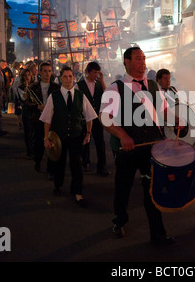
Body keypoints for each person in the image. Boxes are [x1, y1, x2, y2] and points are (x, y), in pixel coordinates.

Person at [99, 47, 183, 245]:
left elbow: (163, 111)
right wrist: (123, 135)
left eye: (144, 58)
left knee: (152, 190)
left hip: (153, 147)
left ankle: (158, 234)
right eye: (138, 59)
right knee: (123, 188)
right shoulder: (115, 88)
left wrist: (176, 119)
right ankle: (119, 221)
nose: (143, 62)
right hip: (128, 149)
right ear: (126, 61)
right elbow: (105, 117)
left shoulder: (153, 86)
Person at [40, 66, 97, 207]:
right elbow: (47, 119)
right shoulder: (54, 96)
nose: (68, 79)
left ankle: (77, 191)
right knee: (59, 162)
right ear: (60, 79)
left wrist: (88, 133)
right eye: (65, 77)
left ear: (74, 78)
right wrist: (46, 138)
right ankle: (58, 186)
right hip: (58, 136)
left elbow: (90, 116)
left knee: (76, 164)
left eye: (70, 76)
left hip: (76, 136)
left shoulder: (80, 95)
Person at [77, 61, 110, 176]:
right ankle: (85, 162)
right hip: (84, 118)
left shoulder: (98, 84)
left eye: (97, 72)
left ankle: (102, 167)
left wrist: (102, 81)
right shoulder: (79, 85)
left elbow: (107, 95)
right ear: (88, 72)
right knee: (85, 140)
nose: (96, 75)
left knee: (100, 142)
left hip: (97, 117)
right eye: (94, 72)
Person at [25, 62, 60, 172]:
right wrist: (37, 106)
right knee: (38, 143)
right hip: (38, 118)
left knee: (51, 143)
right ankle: (38, 161)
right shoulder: (33, 87)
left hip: (52, 120)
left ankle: (51, 168)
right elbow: (27, 103)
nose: (47, 73)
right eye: (45, 71)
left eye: (49, 71)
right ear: (40, 72)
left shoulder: (56, 87)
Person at [17, 67, 34, 159]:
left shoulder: (34, 85)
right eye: (25, 75)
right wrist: (27, 89)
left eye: (29, 75)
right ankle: (29, 152)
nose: (27, 77)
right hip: (26, 112)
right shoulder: (20, 88)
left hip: (35, 112)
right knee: (28, 132)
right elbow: (23, 98)